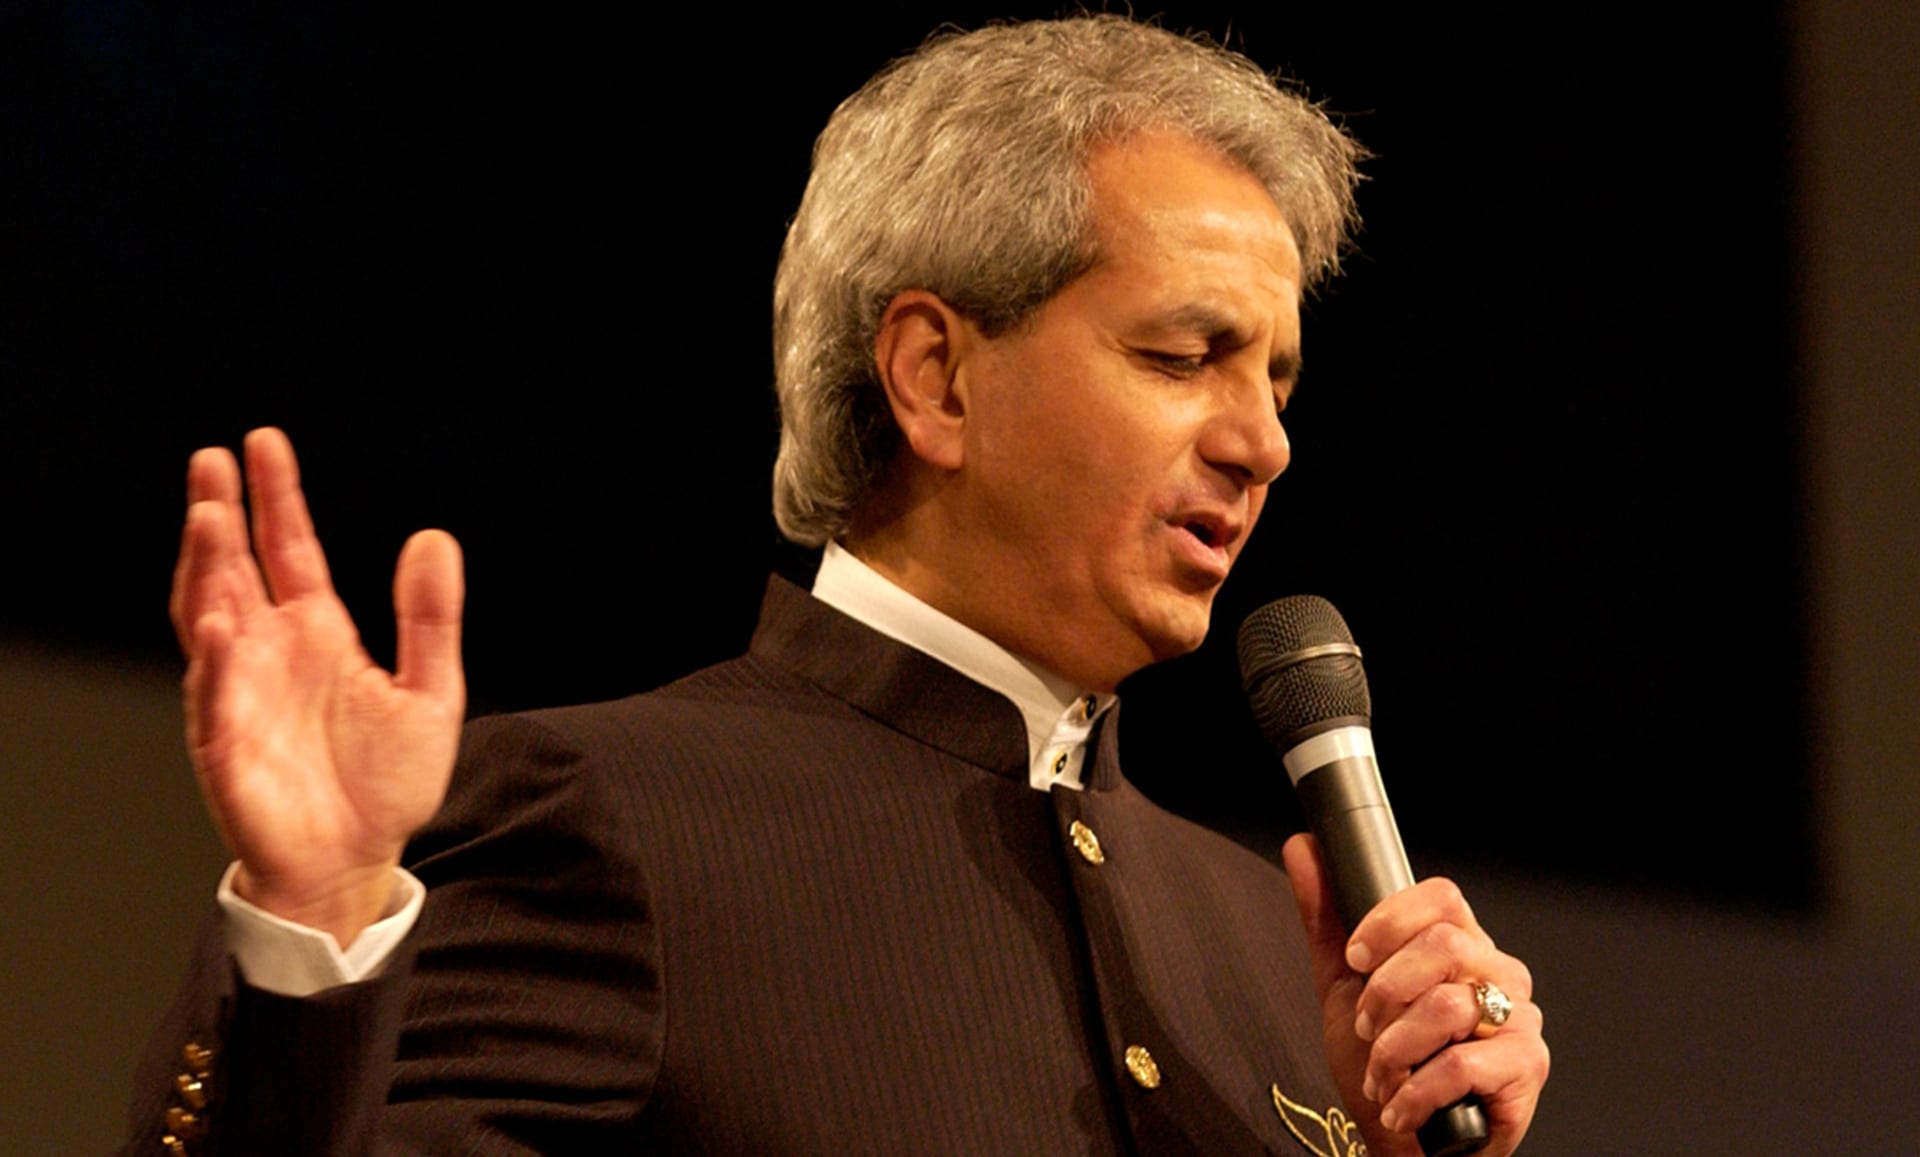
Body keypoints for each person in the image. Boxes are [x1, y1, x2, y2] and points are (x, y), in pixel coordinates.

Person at [128, 16, 1547, 1155]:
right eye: (1185, 356)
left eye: (1279, 379)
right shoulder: (609, 816)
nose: (1264, 442)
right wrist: (308, 924)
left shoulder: (1268, 939)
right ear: (935, 375)